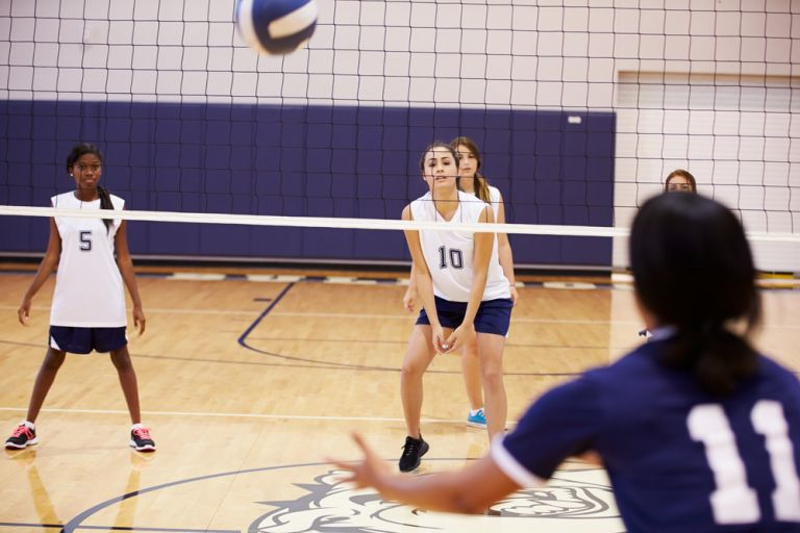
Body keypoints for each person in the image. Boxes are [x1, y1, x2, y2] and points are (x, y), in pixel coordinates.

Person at [331, 192, 800, 532]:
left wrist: (384, 483)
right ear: (743, 284)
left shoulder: (599, 398)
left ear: (639, 290)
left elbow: (464, 495)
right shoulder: (788, 389)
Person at [5, 143, 156, 452]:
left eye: (95, 166)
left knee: (122, 359)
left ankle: (138, 428)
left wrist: (137, 303)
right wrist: (28, 295)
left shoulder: (115, 205)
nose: (89, 172)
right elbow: (51, 256)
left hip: (106, 297)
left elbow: (124, 259)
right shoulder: (58, 204)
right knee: (52, 358)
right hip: (70, 298)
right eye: (83, 166)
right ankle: (28, 426)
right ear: (70, 171)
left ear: (101, 170)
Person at [397, 142, 513, 472]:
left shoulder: (480, 211)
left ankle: (498, 451)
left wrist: (466, 325)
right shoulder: (412, 212)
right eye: (433, 163)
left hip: (489, 297)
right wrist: (435, 324)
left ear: (456, 167)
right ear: (424, 174)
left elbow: (480, 271)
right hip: (444, 301)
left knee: (490, 372)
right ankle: (414, 438)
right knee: (410, 368)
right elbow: (420, 270)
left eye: (447, 161)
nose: (441, 167)